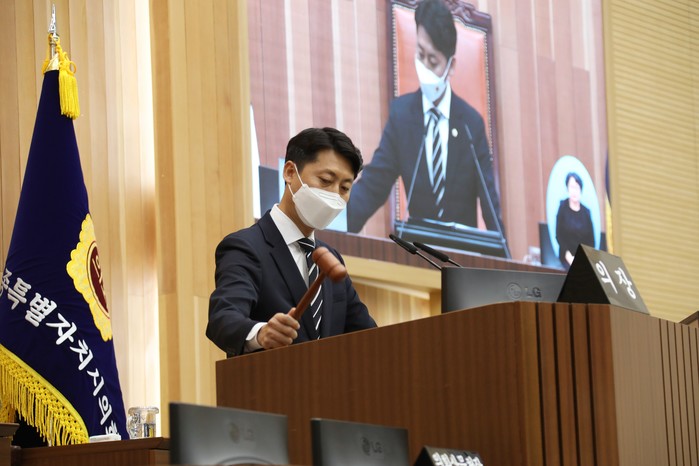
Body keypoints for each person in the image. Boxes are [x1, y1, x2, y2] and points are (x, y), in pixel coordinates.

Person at [207, 127, 377, 356]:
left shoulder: (331, 259)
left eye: (345, 188)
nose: (335, 195)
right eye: (326, 180)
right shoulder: (246, 246)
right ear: (289, 172)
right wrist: (261, 333)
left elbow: (368, 336)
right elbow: (223, 318)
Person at [347, 0, 504, 236]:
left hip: (462, 253)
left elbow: (490, 206)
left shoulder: (471, 124)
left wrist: (503, 254)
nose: (425, 68)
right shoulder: (401, 116)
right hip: (417, 250)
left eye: (434, 62)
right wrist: (334, 225)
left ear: (451, 66)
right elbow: (373, 186)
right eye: (421, 55)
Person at [556, 172, 594, 269]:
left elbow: (591, 241)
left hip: (583, 259)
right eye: (572, 187)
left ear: (581, 189)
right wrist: (569, 258)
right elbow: (559, 236)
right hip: (566, 258)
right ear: (567, 188)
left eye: (577, 188)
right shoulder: (562, 207)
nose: (574, 191)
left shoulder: (586, 212)